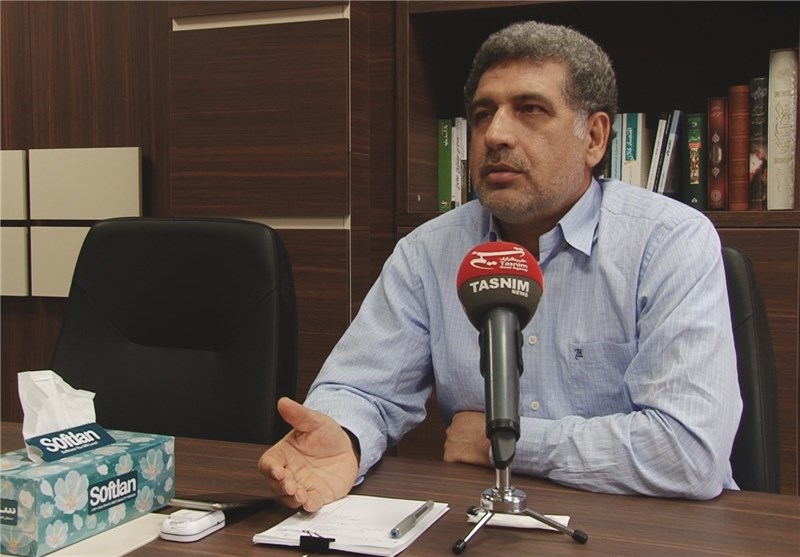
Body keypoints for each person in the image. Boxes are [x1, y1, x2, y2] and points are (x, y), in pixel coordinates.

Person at [258, 20, 742, 512]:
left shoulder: (668, 240)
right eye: (482, 114)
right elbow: (361, 388)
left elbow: (689, 451)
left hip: (647, 529)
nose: (495, 134)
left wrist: (502, 441)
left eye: (530, 109)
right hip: (487, 525)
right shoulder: (428, 251)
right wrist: (343, 435)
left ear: (594, 138)